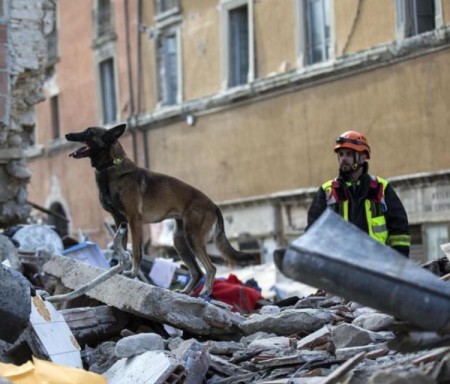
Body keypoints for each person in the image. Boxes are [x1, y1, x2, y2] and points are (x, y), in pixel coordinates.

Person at [306, 130, 411, 257]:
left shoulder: (381, 188)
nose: (343, 159)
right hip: (341, 267)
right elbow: (313, 232)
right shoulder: (327, 192)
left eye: (349, 154)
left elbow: (400, 230)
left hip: (377, 266)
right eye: (341, 154)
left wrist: (398, 263)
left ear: (362, 157)